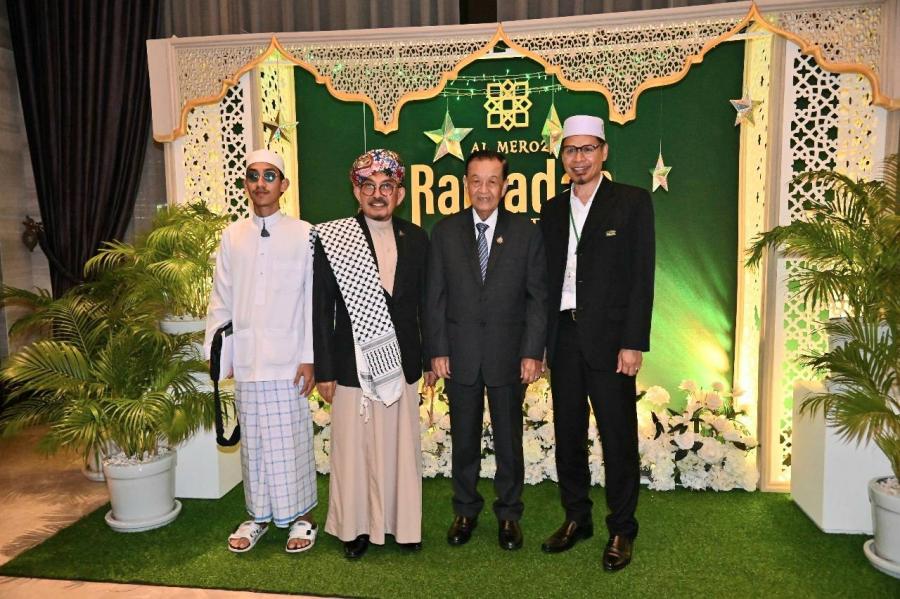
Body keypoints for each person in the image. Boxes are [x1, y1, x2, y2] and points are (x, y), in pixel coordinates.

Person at [538, 115, 655, 571]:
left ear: (604, 152)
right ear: (562, 156)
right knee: (568, 434)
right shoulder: (552, 209)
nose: (579, 158)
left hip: (611, 341)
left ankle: (622, 528)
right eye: (571, 150)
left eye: (588, 149)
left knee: (617, 436)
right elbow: (544, 282)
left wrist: (633, 342)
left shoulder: (631, 202)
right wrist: (541, 343)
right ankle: (577, 518)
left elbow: (641, 277)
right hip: (563, 335)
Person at [313, 149, 433, 559]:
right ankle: (356, 528)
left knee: (401, 448)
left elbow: (426, 305)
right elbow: (321, 309)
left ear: (400, 193)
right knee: (354, 450)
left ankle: (403, 526)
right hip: (351, 365)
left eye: (387, 186)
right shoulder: (335, 239)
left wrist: (431, 358)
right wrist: (325, 370)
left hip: (402, 362)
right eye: (369, 186)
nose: (377, 194)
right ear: (356, 191)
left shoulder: (417, 238)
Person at [426, 149, 548, 551]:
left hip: (508, 356)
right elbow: (434, 298)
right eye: (476, 180)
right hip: (458, 355)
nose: (484, 189)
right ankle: (465, 510)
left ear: (505, 186)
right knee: (463, 439)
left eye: (492, 181)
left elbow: (537, 298)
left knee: (509, 441)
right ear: (465, 184)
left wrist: (532, 352)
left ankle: (509, 514)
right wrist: (437, 349)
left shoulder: (526, 232)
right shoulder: (444, 232)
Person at [204, 149, 318, 554]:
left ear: (283, 185)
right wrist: (220, 354)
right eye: (253, 176)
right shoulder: (232, 236)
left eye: (270, 176)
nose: (261, 183)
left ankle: (303, 519)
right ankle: (258, 516)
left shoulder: (305, 234)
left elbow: (313, 301)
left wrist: (310, 356)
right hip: (248, 360)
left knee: (291, 443)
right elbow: (221, 298)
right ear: (246, 184)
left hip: (290, 361)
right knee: (254, 446)